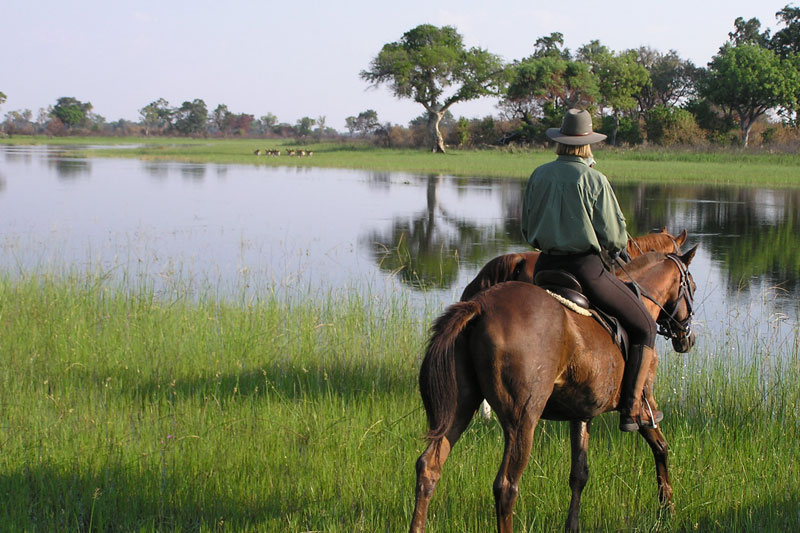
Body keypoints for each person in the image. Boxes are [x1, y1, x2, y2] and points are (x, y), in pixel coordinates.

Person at [521, 108, 660, 432]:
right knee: (645, 328)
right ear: (587, 145)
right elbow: (614, 237)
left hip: (544, 269)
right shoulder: (594, 179)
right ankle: (631, 409)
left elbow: (528, 230)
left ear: (560, 142)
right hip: (585, 270)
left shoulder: (539, 174)